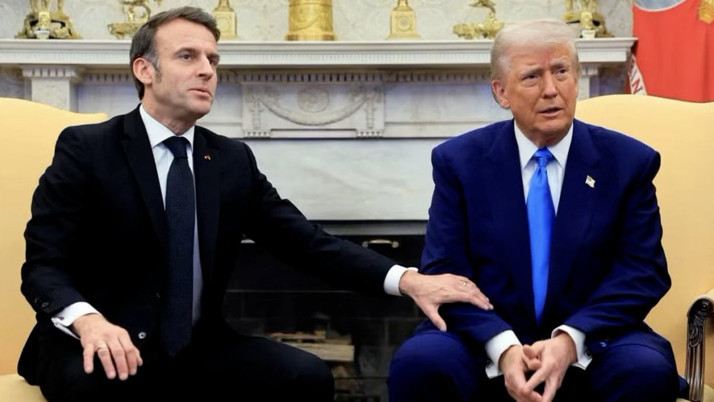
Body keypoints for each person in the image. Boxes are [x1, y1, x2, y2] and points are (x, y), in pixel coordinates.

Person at [17, 7, 492, 402]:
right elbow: (43, 264)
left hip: (196, 348)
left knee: (304, 376)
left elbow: (305, 242)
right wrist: (88, 321)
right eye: (187, 56)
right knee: (100, 387)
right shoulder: (88, 149)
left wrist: (407, 279)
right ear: (145, 70)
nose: (207, 70)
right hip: (97, 343)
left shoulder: (229, 160)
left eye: (213, 59)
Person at [388, 19, 683, 402]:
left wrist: (570, 339)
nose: (551, 90)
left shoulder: (628, 162)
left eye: (561, 71)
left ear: (576, 78)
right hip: (483, 336)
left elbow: (642, 272)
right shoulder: (459, 162)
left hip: (594, 336)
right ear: (501, 92)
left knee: (646, 369)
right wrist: (503, 346)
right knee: (421, 362)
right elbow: (444, 271)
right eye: (532, 77)